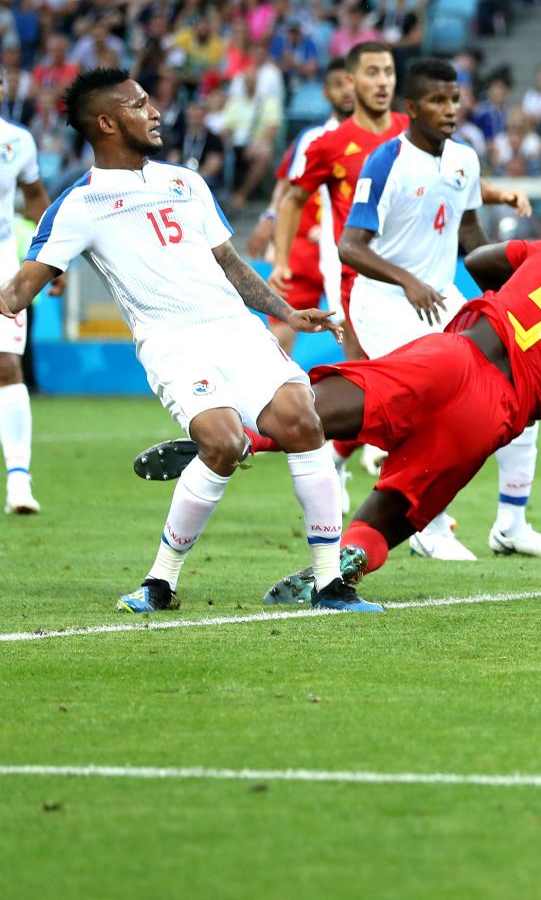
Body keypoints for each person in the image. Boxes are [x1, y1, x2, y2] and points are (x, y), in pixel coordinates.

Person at [136, 230, 541, 605]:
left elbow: (478, 263)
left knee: (320, 412)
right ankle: (346, 562)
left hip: (453, 355)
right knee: (398, 506)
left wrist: (509, 296)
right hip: (492, 414)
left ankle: (240, 439)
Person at [0, 69, 374, 614]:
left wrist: (288, 312)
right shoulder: (78, 205)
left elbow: (231, 265)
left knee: (303, 422)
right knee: (221, 442)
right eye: (138, 105)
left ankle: (328, 583)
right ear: (106, 123)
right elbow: (16, 292)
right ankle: (161, 582)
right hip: (172, 344)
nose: (154, 112)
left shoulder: (186, 182)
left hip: (236, 330)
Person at [336, 58, 541, 563]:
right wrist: (407, 280)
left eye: (455, 99)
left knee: (521, 394)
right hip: (386, 303)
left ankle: (512, 525)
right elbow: (350, 246)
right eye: (437, 101)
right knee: (436, 409)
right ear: (412, 108)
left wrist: (508, 295)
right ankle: (427, 528)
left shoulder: (464, 159)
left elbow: (471, 235)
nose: (450, 109)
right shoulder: (386, 162)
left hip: (441, 300)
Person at [275, 42, 407, 486]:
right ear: (349, 83)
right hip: (355, 276)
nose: (382, 81)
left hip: (412, 274)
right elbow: (290, 197)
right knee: (374, 375)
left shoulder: (411, 131)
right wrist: (280, 257)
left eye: (388, 71)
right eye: (372, 72)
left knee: (396, 380)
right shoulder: (324, 143)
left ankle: (336, 455)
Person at [255, 58, 354, 353]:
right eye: (338, 84)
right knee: (280, 335)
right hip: (303, 249)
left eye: (350, 83)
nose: (346, 91)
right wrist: (270, 218)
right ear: (326, 92)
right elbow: (286, 186)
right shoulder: (310, 138)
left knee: (355, 339)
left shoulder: (380, 141)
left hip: (350, 252)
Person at [0, 67, 52, 513]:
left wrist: (54, 254)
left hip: (2, 262)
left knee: (6, 364)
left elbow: (35, 197)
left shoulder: (17, 141)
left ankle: (19, 481)